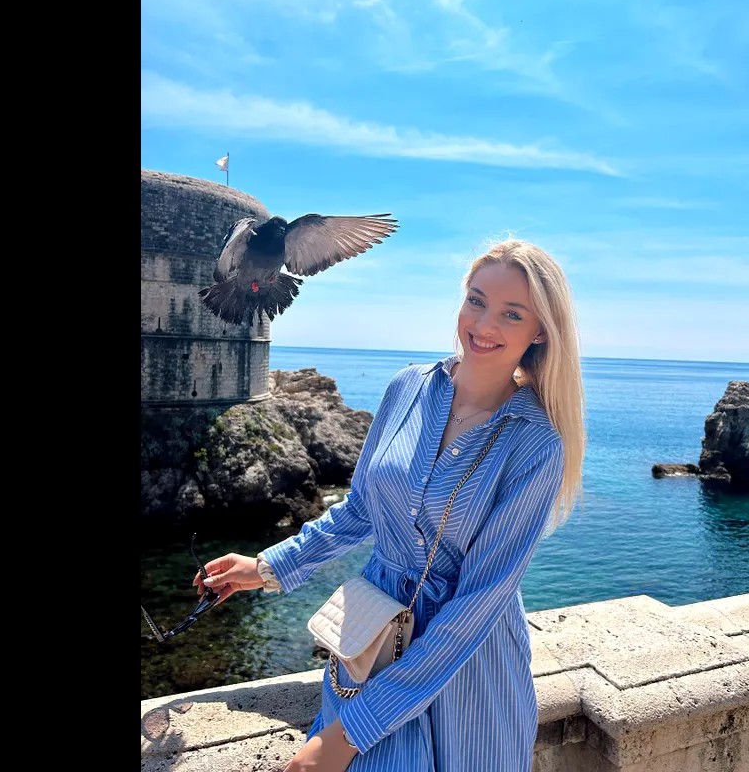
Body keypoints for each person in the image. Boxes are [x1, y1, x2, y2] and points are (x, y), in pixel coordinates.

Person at [195, 238, 586, 772]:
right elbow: (361, 510)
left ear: (540, 331)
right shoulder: (408, 389)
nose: (483, 324)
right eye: (476, 300)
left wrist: (347, 735)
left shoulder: (536, 444)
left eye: (511, 313)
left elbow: (478, 602)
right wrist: (266, 568)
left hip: (468, 673)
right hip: (371, 637)